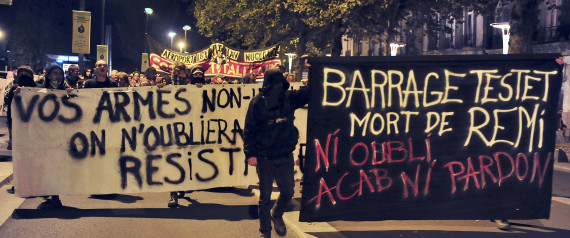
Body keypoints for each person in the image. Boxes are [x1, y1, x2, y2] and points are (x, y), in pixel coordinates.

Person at [243, 68, 310, 238]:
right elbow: (249, 129)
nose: (277, 88)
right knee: (265, 197)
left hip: (285, 154)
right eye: (274, 84)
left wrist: (312, 71)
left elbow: (308, 94)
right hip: (265, 156)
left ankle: (277, 214)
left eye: (280, 84)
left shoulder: (288, 98)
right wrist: (250, 153)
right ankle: (265, 232)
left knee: (288, 191)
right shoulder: (257, 103)